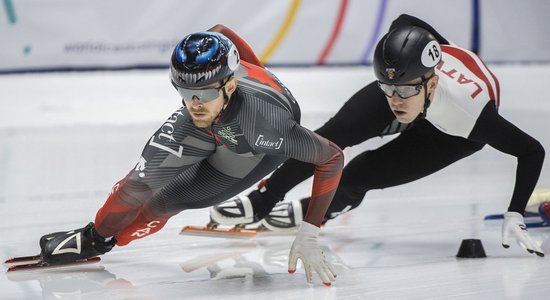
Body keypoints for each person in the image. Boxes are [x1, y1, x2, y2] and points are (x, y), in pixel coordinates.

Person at [210, 14, 546, 257]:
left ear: (431, 83)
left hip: (452, 133)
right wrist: (397, 84)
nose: (395, 100)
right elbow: (404, 20)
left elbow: (532, 151)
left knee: (359, 174)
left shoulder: (471, 115)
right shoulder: (402, 82)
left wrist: (515, 212)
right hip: (417, 83)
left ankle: (323, 208)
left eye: (403, 92)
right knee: (328, 140)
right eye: (388, 88)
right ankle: (264, 199)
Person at [39, 25, 344, 286]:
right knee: (138, 184)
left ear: (231, 84)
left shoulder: (267, 126)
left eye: (207, 92)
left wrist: (310, 230)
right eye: (185, 92)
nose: (195, 104)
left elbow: (331, 158)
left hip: (251, 148)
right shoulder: (204, 93)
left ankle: (113, 241)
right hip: (219, 124)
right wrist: (95, 235)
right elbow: (221, 31)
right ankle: (95, 238)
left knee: (163, 201)